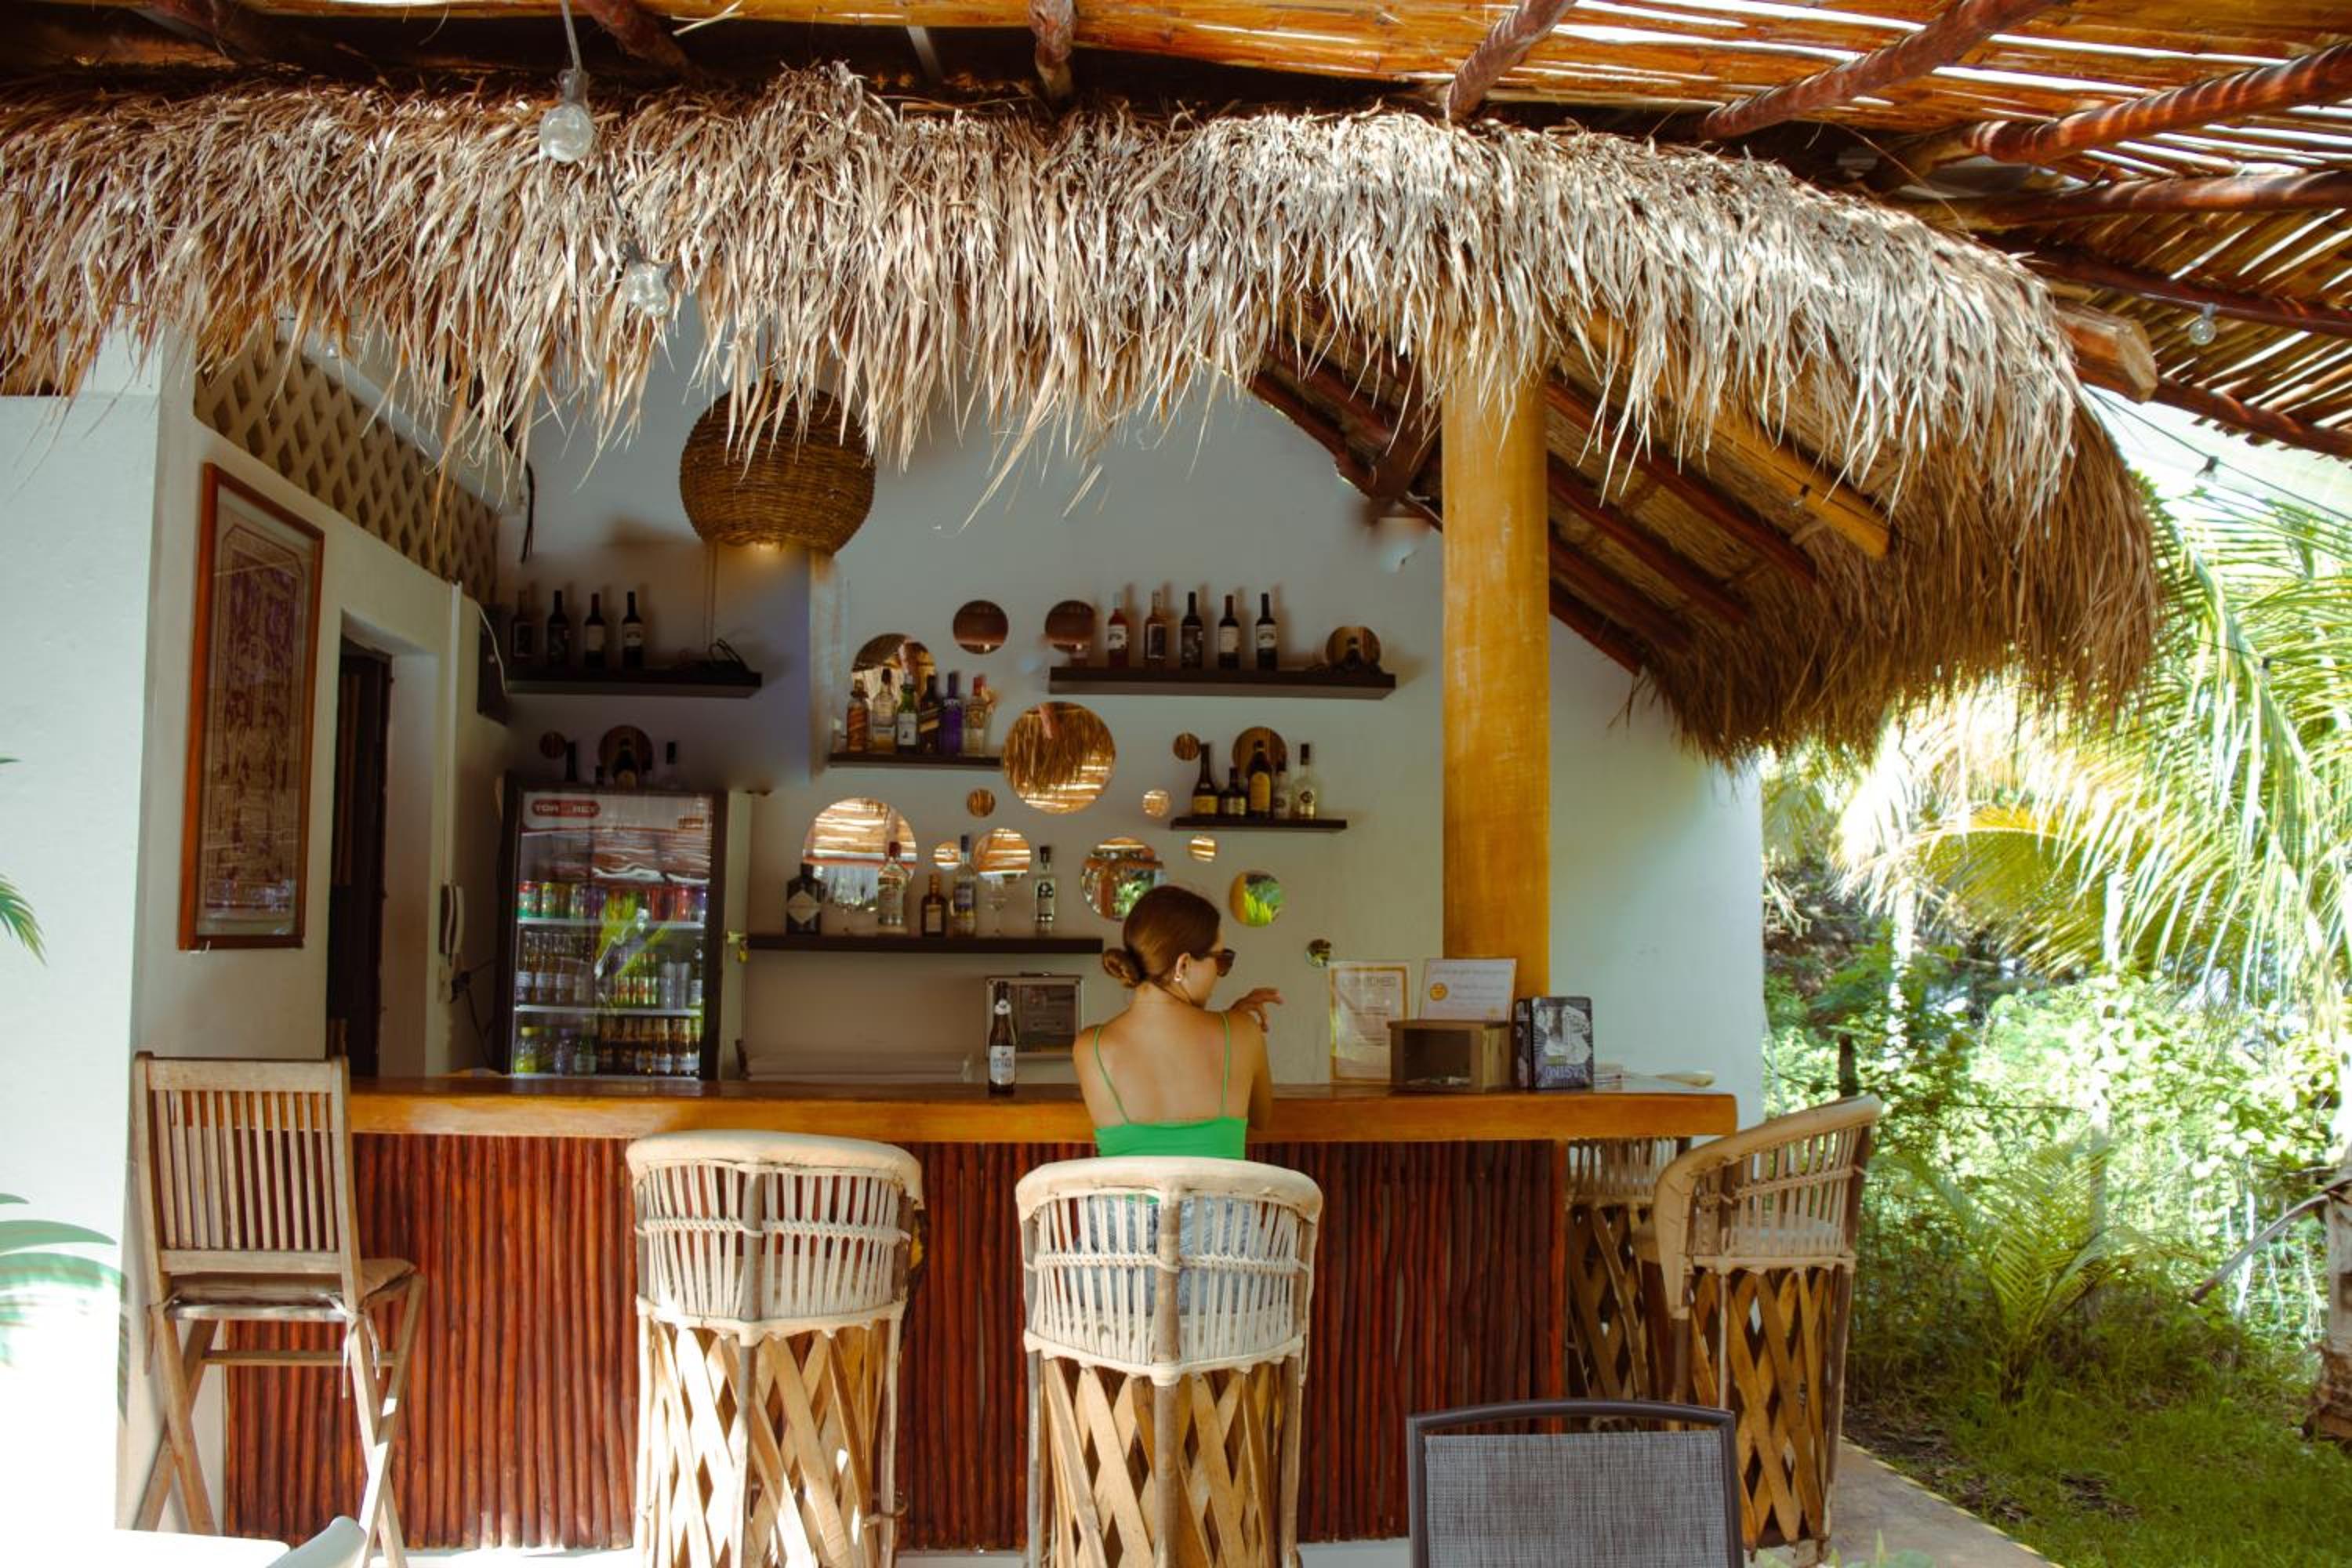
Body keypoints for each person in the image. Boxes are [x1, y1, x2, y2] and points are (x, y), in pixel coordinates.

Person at [1080, 884, 1278, 1158]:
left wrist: (1231, 1021)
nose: (1219, 973)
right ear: (1183, 965)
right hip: (1223, 1191)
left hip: (1127, 1191)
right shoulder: (1243, 1033)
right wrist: (1235, 1023)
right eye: (1221, 960)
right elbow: (1261, 1119)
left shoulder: (1090, 1047)